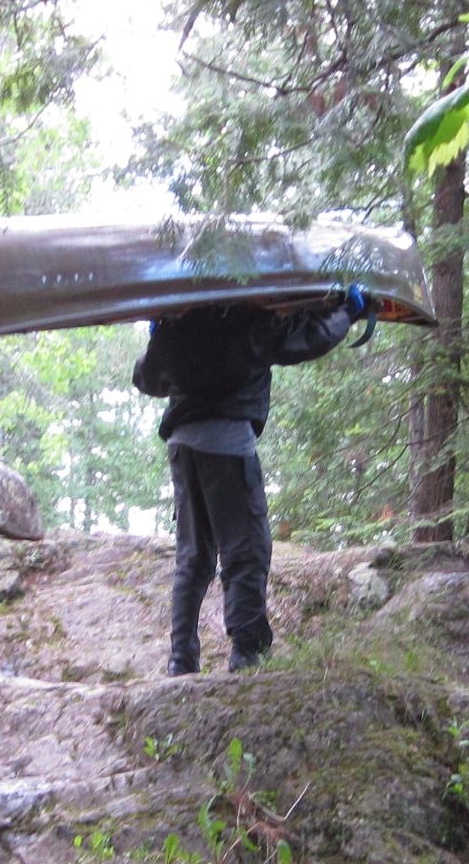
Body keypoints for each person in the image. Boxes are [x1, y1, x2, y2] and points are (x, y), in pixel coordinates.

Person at [133, 284, 373, 673]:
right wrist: (347, 311)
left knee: (194, 556)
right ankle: (248, 654)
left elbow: (147, 379)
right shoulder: (249, 318)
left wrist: (160, 336)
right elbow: (308, 340)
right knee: (246, 549)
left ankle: (181, 660)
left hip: (183, 449)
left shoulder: (180, 323)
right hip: (227, 446)